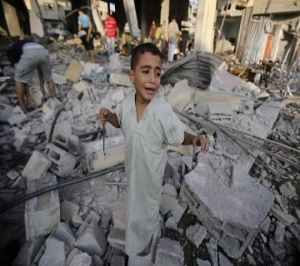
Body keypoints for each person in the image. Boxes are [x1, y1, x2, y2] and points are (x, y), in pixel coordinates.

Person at [99, 43, 209, 262]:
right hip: (133, 171)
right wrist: (108, 115)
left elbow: (179, 135)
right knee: (134, 207)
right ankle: (136, 240)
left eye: (157, 73)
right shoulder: (127, 105)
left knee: (147, 212)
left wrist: (194, 138)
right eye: (146, 71)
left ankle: (146, 245)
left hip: (150, 178)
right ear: (132, 76)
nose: (152, 79)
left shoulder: (162, 111)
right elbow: (119, 121)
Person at [7, 39, 56, 113]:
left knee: (18, 79)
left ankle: (22, 107)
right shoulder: (26, 43)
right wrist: (41, 85)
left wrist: (28, 96)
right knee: (49, 78)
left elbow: (23, 80)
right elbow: (40, 69)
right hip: (43, 51)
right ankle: (55, 101)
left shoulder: (12, 54)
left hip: (30, 53)